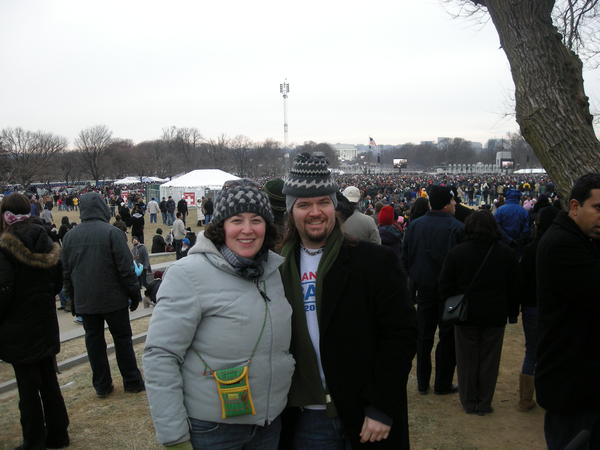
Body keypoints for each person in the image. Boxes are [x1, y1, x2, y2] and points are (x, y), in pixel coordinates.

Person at [143, 179, 294, 449]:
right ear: (220, 226)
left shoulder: (273, 271)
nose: (247, 230)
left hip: (269, 425)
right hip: (214, 430)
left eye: (256, 220)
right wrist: (175, 436)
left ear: (267, 226)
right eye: (237, 220)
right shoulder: (188, 274)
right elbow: (161, 356)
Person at [279, 153, 417, 449]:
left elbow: (401, 336)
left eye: (323, 202)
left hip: (366, 413)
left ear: (335, 206)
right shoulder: (275, 269)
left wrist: (381, 406)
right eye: (304, 204)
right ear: (291, 210)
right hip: (306, 417)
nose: (315, 212)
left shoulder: (375, 262)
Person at [0, 193, 70, 449]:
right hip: (45, 322)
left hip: (19, 329)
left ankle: (34, 440)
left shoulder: (6, 247)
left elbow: (3, 289)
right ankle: (58, 434)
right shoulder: (46, 239)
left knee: (28, 390)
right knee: (49, 382)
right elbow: (57, 283)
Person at [535, 174, 600, 450]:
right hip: (571, 383)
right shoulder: (563, 245)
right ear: (575, 206)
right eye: (598, 208)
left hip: (579, 379)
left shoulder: (580, 239)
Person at [62, 192, 145, 398]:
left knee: (94, 342)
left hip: (87, 300)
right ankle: (132, 381)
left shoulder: (70, 236)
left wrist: (73, 300)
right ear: (102, 208)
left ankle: (102, 385)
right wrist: (134, 294)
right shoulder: (112, 233)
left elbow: (66, 274)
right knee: (122, 340)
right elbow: (126, 269)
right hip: (113, 299)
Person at [439, 210, 519, 415]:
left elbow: (445, 285)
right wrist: (511, 313)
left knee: (466, 359)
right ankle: (483, 401)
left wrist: (451, 305)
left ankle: (468, 400)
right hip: (495, 313)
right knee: (489, 360)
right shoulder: (506, 253)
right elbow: (514, 287)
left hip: (465, 313)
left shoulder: (457, 253)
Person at [402, 185, 464, 396]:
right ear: (447, 204)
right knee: (448, 338)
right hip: (451, 292)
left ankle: (422, 382)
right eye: (453, 202)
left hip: (425, 288)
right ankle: (442, 383)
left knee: (424, 337)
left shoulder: (415, 226)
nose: (456, 205)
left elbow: (406, 256)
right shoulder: (457, 227)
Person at [517, 204, 559, 412]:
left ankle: (525, 399)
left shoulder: (531, 248)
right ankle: (550, 394)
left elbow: (522, 280)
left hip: (531, 306)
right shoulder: (562, 246)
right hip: (554, 306)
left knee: (531, 351)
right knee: (555, 349)